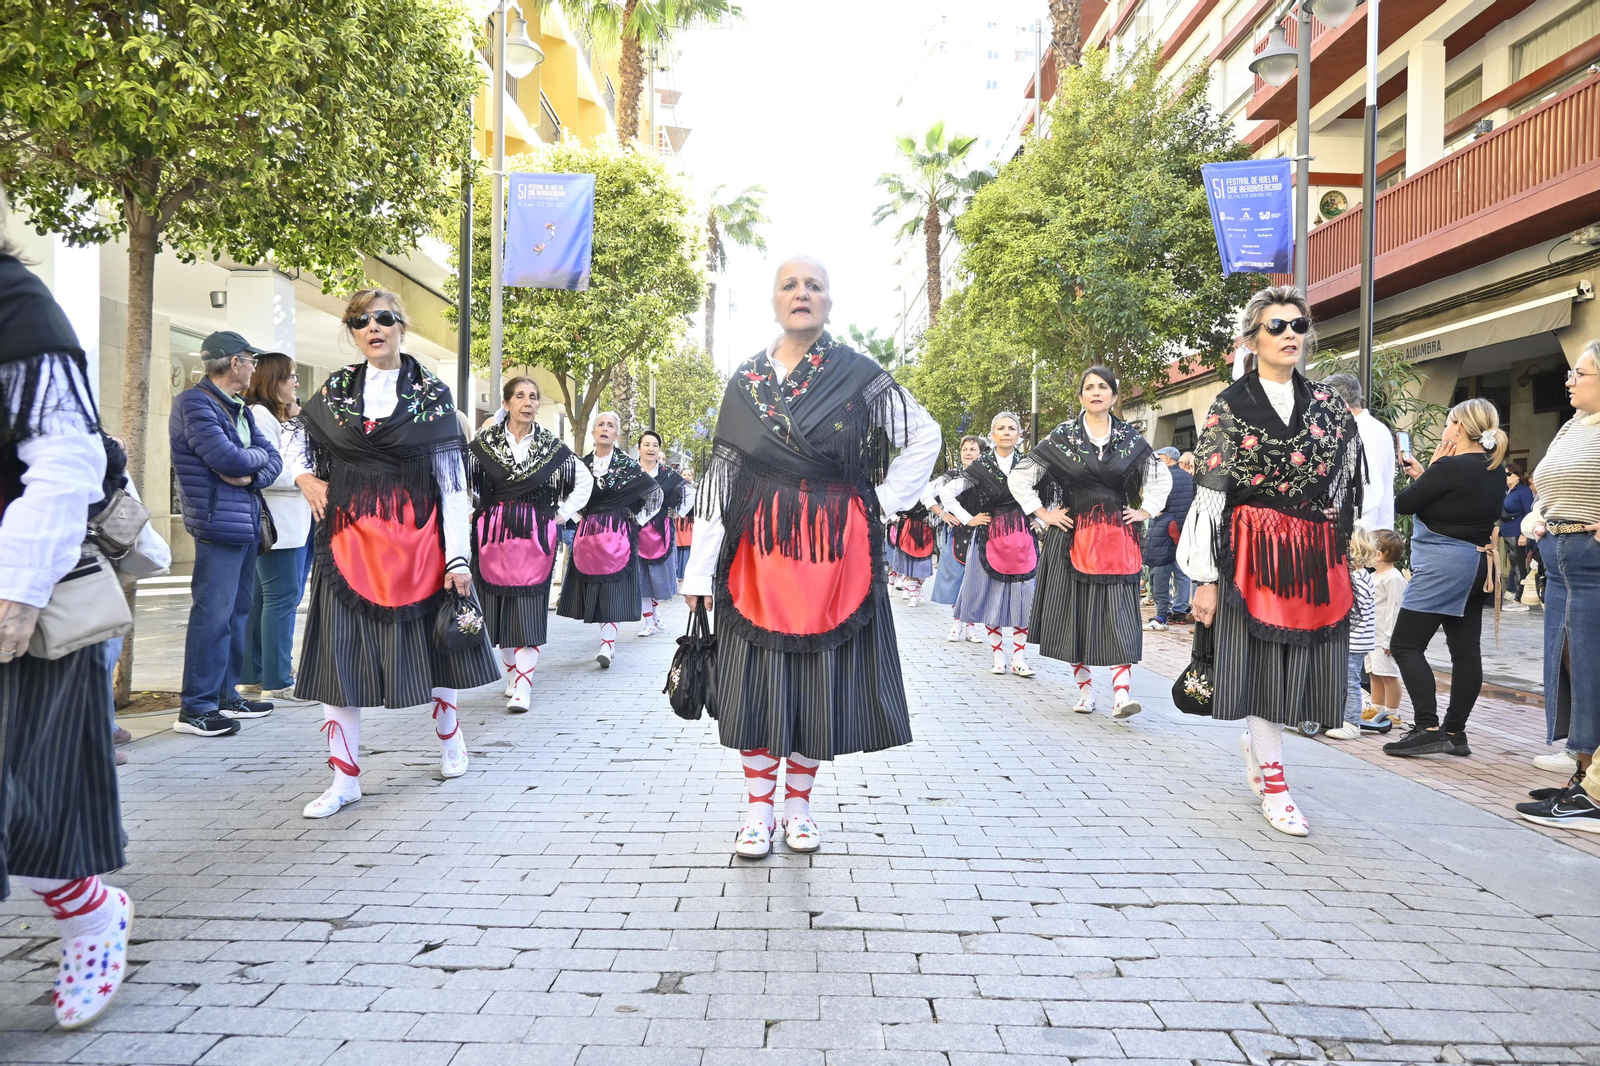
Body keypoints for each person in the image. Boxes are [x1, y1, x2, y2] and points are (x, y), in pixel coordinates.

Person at [681, 256, 940, 859]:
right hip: (756, 553)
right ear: (773, 301)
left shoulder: (857, 373)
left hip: (836, 553)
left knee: (816, 683)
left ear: (829, 302)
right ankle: (757, 811)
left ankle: (798, 808)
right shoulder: (744, 381)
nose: (802, 294)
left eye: (814, 286)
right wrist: (697, 571)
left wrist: (878, 501)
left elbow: (924, 435)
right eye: (790, 285)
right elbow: (720, 482)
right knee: (755, 680)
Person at [287, 288, 498, 818]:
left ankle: (450, 738)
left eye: (383, 318)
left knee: (435, 648)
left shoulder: (433, 394)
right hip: (346, 543)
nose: (372, 328)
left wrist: (457, 557)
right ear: (353, 332)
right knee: (341, 663)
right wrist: (304, 476)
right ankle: (344, 779)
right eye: (360, 321)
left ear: (401, 326)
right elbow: (293, 436)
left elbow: (452, 485)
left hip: (419, 544)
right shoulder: (335, 389)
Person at [0, 230, 132, 1029]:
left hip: (21, 592)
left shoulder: (17, 307)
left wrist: (16, 592)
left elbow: (68, 458)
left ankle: (89, 915)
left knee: (36, 801)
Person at [1179, 286, 1364, 837]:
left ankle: (1261, 749)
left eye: (1298, 326)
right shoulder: (1229, 406)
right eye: (1278, 326)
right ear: (1252, 339)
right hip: (1250, 553)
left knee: (1299, 672)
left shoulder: (1330, 408)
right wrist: (1205, 580)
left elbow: (1346, 485)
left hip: (1312, 555)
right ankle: (1278, 785)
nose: (1290, 335)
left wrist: (1347, 548)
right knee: (1262, 668)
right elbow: (1211, 495)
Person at [1015, 367, 1172, 716]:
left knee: (1119, 614)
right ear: (1081, 396)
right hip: (1070, 536)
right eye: (1089, 387)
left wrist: (1145, 511)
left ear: (1114, 396)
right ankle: (1086, 692)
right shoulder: (1063, 436)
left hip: (1117, 536)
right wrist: (1044, 512)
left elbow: (1159, 478)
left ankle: (1121, 694)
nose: (1096, 392)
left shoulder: (1130, 438)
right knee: (1075, 615)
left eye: (1103, 387)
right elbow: (1021, 476)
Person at [169, 330, 283, 736]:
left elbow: (273, 460)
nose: (255, 368)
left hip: (246, 522)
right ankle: (195, 708)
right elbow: (225, 458)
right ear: (235, 362)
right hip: (217, 524)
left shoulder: (238, 408)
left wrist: (249, 474)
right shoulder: (194, 404)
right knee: (212, 616)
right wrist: (250, 465)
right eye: (251, 360)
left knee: (236, 613)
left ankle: (225, 696)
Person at [1382, 398, 1507, 759]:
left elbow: (1404, 503)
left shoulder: (1449, 467)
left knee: (1405, 644)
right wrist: (1428, 476)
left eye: (1449, 421)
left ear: (1460, 427)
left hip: (1444, 564)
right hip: (1479, 564)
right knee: (1465, 651)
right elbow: (1454, 504)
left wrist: (1433, 469)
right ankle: (1455, 732)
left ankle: (1427, 727)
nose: (1444, 428)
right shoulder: (1493, 467)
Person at [1515, 340, 1600, 833]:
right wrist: (1537, 516)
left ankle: (1592, 791)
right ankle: (1584, 773)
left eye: (1580, 373)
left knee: (1590, 664)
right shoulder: (1570, 426)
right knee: (1568, 662)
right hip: (1561, 557)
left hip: (1591, 560)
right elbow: (1545, 487)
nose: (1569, 380)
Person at [470, 376, 592, 712]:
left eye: (534, 397)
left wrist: (562, 515)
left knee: (529, 610)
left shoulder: (551, 446)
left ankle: (524, 685)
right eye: (520, 396)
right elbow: (458, 477)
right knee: (497, 612)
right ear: (507, 403)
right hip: (492, 538)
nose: (528, 402)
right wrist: (472, 510)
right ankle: (512, 672)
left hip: (537, 537)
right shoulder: (486, 442)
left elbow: (584, 481)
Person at [557, 412, 661, 667]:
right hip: (589, 535)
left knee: (612, 587)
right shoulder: (579, 465)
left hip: (618, 535)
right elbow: (562, 492)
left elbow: (655, 495)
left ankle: (608, 643)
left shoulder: (627, 466)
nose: (605, 429)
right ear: (593, 432)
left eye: (610, 426)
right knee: (596, 587)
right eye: (601, 425)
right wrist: (580, 515)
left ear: (616, 434)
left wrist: (637, 519)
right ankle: (605, 639)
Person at [941, 413, 1039, 676]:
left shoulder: (1030, 465)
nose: (1007, 432)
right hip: (988, 538)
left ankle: (1019, 656)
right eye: (1000, 428)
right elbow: (947, 493)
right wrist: (968, 519)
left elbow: (1049, 492)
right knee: (991, 596)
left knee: (1024, 598)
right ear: (992, 435)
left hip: (1022, 539)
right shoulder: (980, 466)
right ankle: (998, 656)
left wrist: (1040, 519)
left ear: (1020, 435)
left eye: (1012, 428)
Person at [240, 352, 313, 701]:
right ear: (273, 381)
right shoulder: (260, 417)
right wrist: (307, 477)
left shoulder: (275, 417)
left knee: (263, 600)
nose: (296, 383)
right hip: (280, 524)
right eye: (291, 377)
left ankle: (255, 674)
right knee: (282, 599)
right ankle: (278, 678)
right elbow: (271, 472)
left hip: (286, 523)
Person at [926, 435, 985, 641]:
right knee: (958, 579)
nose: (968, 452)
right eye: (965, 449)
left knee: (974, 580)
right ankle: (956, 623)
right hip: (957, 533)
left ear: (981, 453)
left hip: (982, 532)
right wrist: (943, 514)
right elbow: (925, 493)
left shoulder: (988, 474)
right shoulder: (951, 476)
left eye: (973, 449)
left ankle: (970, 627)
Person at [635, 429, 693, 635]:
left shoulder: (668, 475)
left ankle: (656, 611)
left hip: (661, 532)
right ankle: (648, 621)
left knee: (659, 578)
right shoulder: (630, 473)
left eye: (655, 445)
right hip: (635, 532)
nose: (651, 449)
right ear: (639, 448)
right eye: (647, 444)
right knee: (641, 578)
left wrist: (677, 513)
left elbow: (689, 493)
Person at [1324, 372, 1396, 531]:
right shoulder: (1365, 429)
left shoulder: (1366, 432)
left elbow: (1367, 489)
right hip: (1363, 532)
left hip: (1366, 536)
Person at [1327, 527, 1378, 740]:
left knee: (1350, 681)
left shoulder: (1358, 580)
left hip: (1353, 641)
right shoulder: (1357, 577)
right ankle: (1336, 717)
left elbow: (1349, 610)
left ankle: (1351, 722)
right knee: (1340, 679)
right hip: (1348, 640)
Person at [1143, 446, 1194, 630]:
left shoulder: (1163, 480)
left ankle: (1163, 612)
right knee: (1182, 574)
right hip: (1184, 533)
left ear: (1165, 459)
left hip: (1164, 532)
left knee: (1162, 577)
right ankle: (1179, 610)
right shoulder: (1190, 479)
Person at [1365, 529, 1408, 733]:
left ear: (1379, 555)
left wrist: (1391, 639)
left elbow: (1395, 609)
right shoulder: (1373, 576)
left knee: (1388, 675)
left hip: (1384, 636)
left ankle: (1393, 712)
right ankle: (1377, 708)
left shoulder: (1393, 578)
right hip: (1371, 635)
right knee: (1374, 672)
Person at [885, 498, 937, 608]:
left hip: (923, 531)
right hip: (906, 532)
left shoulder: (925, 491)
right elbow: (888, 508)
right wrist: (896, 517)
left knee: (923, 567)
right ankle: (912, 595)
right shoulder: (900, 493)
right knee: (908, 567)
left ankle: (917, 588)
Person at [1498, 461, 1535, 613]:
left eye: (1509, 474)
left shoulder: (1523, 491)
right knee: (1513, 564)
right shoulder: (1507, 491)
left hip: (1517, 531)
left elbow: (1529, 514)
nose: (1506, 477)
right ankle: (1516, 595)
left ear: (1517, 476)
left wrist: (1524, 534)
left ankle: (1520, 599)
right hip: (1506, 529)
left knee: (1519, 565)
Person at [674, 468, 696, 581]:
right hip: (678, 521)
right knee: (677, 546)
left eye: (689, 475)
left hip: (689, 522)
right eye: (684, 475)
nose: (687, 477)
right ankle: (677, 573)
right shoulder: (676, 489)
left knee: (688, 546)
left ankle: (685, 573)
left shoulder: (695, 490)